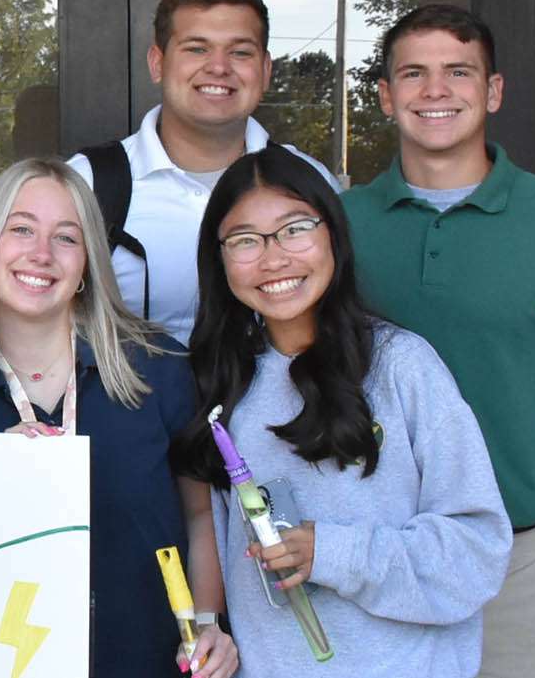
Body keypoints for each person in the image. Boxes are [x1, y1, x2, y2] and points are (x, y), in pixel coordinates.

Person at [342, 5, 535, 674]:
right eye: (413, 73)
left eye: (458, 71)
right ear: (386, 97)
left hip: (510, 558)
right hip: (367, 558)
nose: (436, 89)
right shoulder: (337, 225)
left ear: (494, 90)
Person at [173, 144, 510, 677]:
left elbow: (476, 552)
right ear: (218, 259)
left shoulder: (402, 367)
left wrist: (331, 553)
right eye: (244, 240)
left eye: (295, 228)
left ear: (333, 232)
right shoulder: (221, 383)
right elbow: (209, 532)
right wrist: (208, 624)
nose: (273, 257)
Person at [0, 157, 237, 678]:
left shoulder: (157, 369)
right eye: (22, 229)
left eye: (66, 237)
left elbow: (202, 513)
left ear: (87, 264)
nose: (41, 254)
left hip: (147, 660)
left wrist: (209, 625)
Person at [68, 0, 336, 345]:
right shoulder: (87, 183)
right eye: (196, 49)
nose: (219, 67)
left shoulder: (311, 182)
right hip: (133, 398)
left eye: (240, 52)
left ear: (266, 70)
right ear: (157, 63)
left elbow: (340, 316)